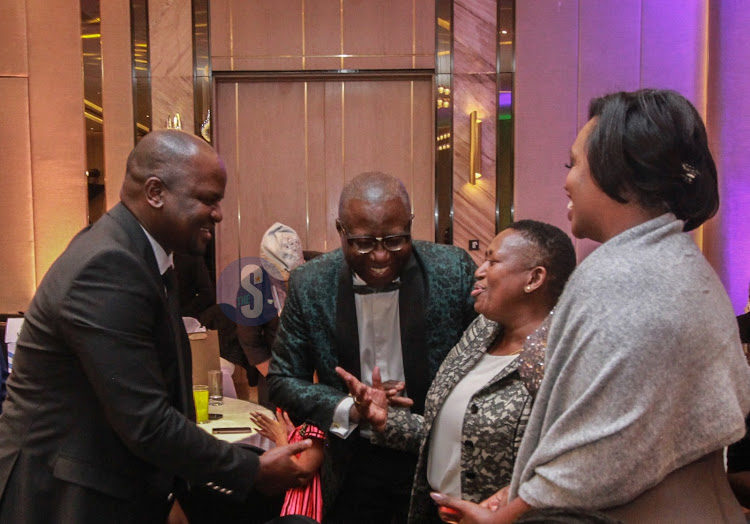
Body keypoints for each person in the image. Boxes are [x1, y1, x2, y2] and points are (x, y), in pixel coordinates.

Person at [430, 89, 750, 523]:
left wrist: (507, 514)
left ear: (615, 173)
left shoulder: (622, 275)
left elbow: (608, 449)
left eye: (574, 164)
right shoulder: (681, 263)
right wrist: (524, 492)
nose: (567, 180)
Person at [0, 130, 314, 523]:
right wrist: (253, 470)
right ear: (155, 192)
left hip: (111, 481)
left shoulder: (142, 256)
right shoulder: (108, 265)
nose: (217, 213)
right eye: (207, 199)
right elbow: (146, 421)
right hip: (65, 495)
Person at [267, 171, 478, 522]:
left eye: (396, 240)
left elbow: (489, 359)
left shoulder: (451, 270)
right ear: (340, 230)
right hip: (354, 461)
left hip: (437, 457)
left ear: (410, 224)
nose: (380, 256)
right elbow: (283, 380)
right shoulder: (310, 283)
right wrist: (351, 407)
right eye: (363, 243)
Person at [337, 220, 576, 523]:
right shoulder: (481, 331)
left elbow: (568, 470)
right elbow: (449, 433)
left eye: (493, 260)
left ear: (534, 278)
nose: (479, 270)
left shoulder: (560, 357)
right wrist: (388, 421)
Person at [237, 223, 306, 408]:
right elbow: (251, 344)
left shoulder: (319, 269)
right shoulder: (250, 289)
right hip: (275, 375)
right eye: (279, 278)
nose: (286, 283)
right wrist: (282, 381)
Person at [251, 409, 326, 522]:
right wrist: (293, 435)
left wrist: (280, 438)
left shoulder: (318, 420)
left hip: (305, 507)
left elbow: (300, 473)